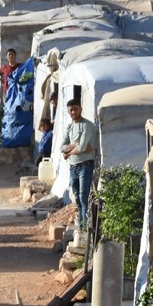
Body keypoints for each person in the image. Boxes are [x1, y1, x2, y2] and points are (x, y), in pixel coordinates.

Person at [61, 99, 96, 234]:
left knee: (83, 196)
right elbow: (62, 146)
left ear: (80, 109)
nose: (73, 112)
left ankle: (85, 228)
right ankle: (82, 226)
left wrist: (69, 152)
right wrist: (75, 146)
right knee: (76, 197)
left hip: (85, 165)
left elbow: (83, 147)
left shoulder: (87, 125)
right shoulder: (70, 127)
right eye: (71, 110)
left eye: (75, 109)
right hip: (73, 166)